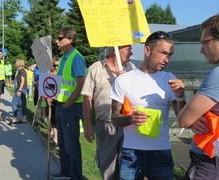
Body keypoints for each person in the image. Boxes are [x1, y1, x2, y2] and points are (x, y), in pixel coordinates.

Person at [108, 31, 187, 180]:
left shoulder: (170, 79)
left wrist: (181, 97)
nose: (167, 59)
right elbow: (114, 118)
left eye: (170, 54)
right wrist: (131, 119)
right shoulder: (124, 80)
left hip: (161, 153)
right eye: (163, 53)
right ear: (147, 50)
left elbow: (183, 120)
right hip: (131, 152)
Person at [81, 45, 134, 180]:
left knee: (127, 169)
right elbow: (87, 98)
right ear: (115, 50)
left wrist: (127, 80)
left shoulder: (131, 69)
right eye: (128, 49)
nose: (131, 53)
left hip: (128, 126)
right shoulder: (95, 68)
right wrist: (88, 126)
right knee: (108, 170)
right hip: (105, 126)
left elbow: (137, 96)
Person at [178, 14, 219, 180]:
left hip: (209, 166)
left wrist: (194, 117)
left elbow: (184, 120)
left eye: (204, 42)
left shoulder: (217, 76)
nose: (201, 50)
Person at [50, 27, 86, 180]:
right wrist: (52, 96)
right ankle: (65, 171)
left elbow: (81, 83)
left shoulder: (76, 58)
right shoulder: (64, 58)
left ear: (70, 40)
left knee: (72, 146)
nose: (57, 41)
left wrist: (67, 104)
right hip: (60, 105)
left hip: (70, 107)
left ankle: (75, 176)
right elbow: (62, 84)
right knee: (63, 143)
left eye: (60, 38)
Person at [9, 58, 28, 124]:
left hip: (21, 89)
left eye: (15, 62)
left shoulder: (22, 70)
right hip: (24, 89)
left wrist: (19, 90)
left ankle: (15, 119)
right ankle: (24, 119)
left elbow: (23, 81)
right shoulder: (21, 70)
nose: (14, 63)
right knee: (23, 104)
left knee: (13, 103)